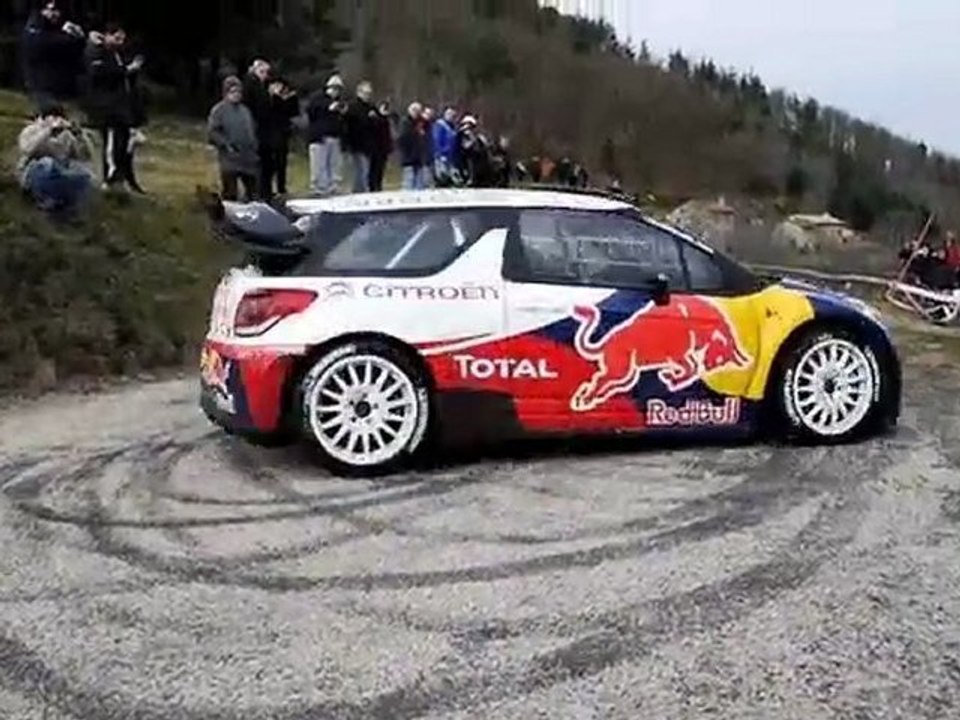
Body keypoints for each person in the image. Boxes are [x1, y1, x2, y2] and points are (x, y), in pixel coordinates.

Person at [84, 22, 141, 192]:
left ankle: (120, 178)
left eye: (122, 39)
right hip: (106, 106)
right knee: (110, 144)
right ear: (107, 35)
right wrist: (126, 70)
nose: (120, 42)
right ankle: (109, 178)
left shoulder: (117, 54)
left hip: (120, 106)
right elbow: (99, 74)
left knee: (122, 144)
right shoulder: (97, 51)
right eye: (116, 38)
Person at [17, 103, 94, 216]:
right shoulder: (30, 131)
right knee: (47, 164)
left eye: (59, 117)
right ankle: (43, 200)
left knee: (83, 173)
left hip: (61, 172)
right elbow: (27, 149)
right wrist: (47, 131)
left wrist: (78, 135)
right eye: (52, 117)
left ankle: (71, 206)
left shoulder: (66, 136)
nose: (56, 120)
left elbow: (85, 156)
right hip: (33, 173)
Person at [21, 1, 87, 112]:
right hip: (43, 89)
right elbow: (45, 43)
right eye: (50, 10)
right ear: (42, 11)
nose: (54, 14)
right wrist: (74, 38)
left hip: (65, 88)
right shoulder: (34, 28)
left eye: (57, 10)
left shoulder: (61, 29)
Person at [207, 76, 259, 202]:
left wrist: (254, 148)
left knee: (253, 193)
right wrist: (226, 144)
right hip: (229, 158)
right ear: (226, 93)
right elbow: (213, 132)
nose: (236, 95)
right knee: (230, 192)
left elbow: (251, 131)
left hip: (248, 158)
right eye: (233, 92)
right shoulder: (219, 110)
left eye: (239, 92)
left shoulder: (245, 111)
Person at [305, 73, 347, 196]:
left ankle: (333, 187)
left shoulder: (339, 102)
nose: (336, 92)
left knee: (334, 164)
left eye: (338, 89)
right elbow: (311, 111)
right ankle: (319, 188)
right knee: (319, 165)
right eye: (334, 88)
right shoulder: (317, 98)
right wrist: (327, 107)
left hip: (334, 137)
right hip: (320, 137)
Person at [262, 76, 299, 201]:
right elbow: (267, 111)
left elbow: (292, 111)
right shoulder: (266, 98)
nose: (277, 88)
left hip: (282, 134)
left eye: (279, 86)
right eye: (274, 85)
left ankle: (281, 188)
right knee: (270, 165)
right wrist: (276, 97)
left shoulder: (287, 99)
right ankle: (267, 189)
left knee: (281, 163)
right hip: (268, 135)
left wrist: (289, 99)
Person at [242, 58, 273, 199]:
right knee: (257, 162)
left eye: (266, 72)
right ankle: (257, 192)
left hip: (262, 128)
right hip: (256, 127)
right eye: (262, 71)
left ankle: (262, 191)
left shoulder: (261, 86)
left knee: (265, 163)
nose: (265, 75)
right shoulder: (251, 85)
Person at [342, 80, 378, 193]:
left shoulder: (371, 107)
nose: (368, 96)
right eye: (365, 93)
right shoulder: (352, 107)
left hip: (368, 145)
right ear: (359, 92)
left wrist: (376, 118)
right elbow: (352, 124)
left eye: (369, 93)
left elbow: (377, 125)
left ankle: (361, 190)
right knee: (359, 171)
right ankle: (358, 191)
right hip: (355, 144)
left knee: (365, 171)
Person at [397, 102, 430, 190]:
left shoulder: (421, 123)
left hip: (419, 158)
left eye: (418, 111)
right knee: (409, 182)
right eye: (414, 110)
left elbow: (427, 130)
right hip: (409, 157)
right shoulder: (405, 122)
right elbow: (402, 138)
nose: (416, 113)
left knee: (420, 183)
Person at [368, 100, 394, 192]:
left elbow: (389, 134)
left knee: (381, 169)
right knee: (374, 169)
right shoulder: (376, 119)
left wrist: (390, 147)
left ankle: (378, 185)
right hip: (375, 148)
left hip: (384, 148)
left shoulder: (387, 120)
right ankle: (372, 186)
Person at [431, 106, 459, 187]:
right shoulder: (440, 125)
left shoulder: (453, 126)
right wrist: (441, 153)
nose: (451, 116)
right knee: (442, 177)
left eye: (452, 114)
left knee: (450, 177)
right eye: (449, 114)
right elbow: (437, 140)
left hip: (451, 156)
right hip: (442, 156)